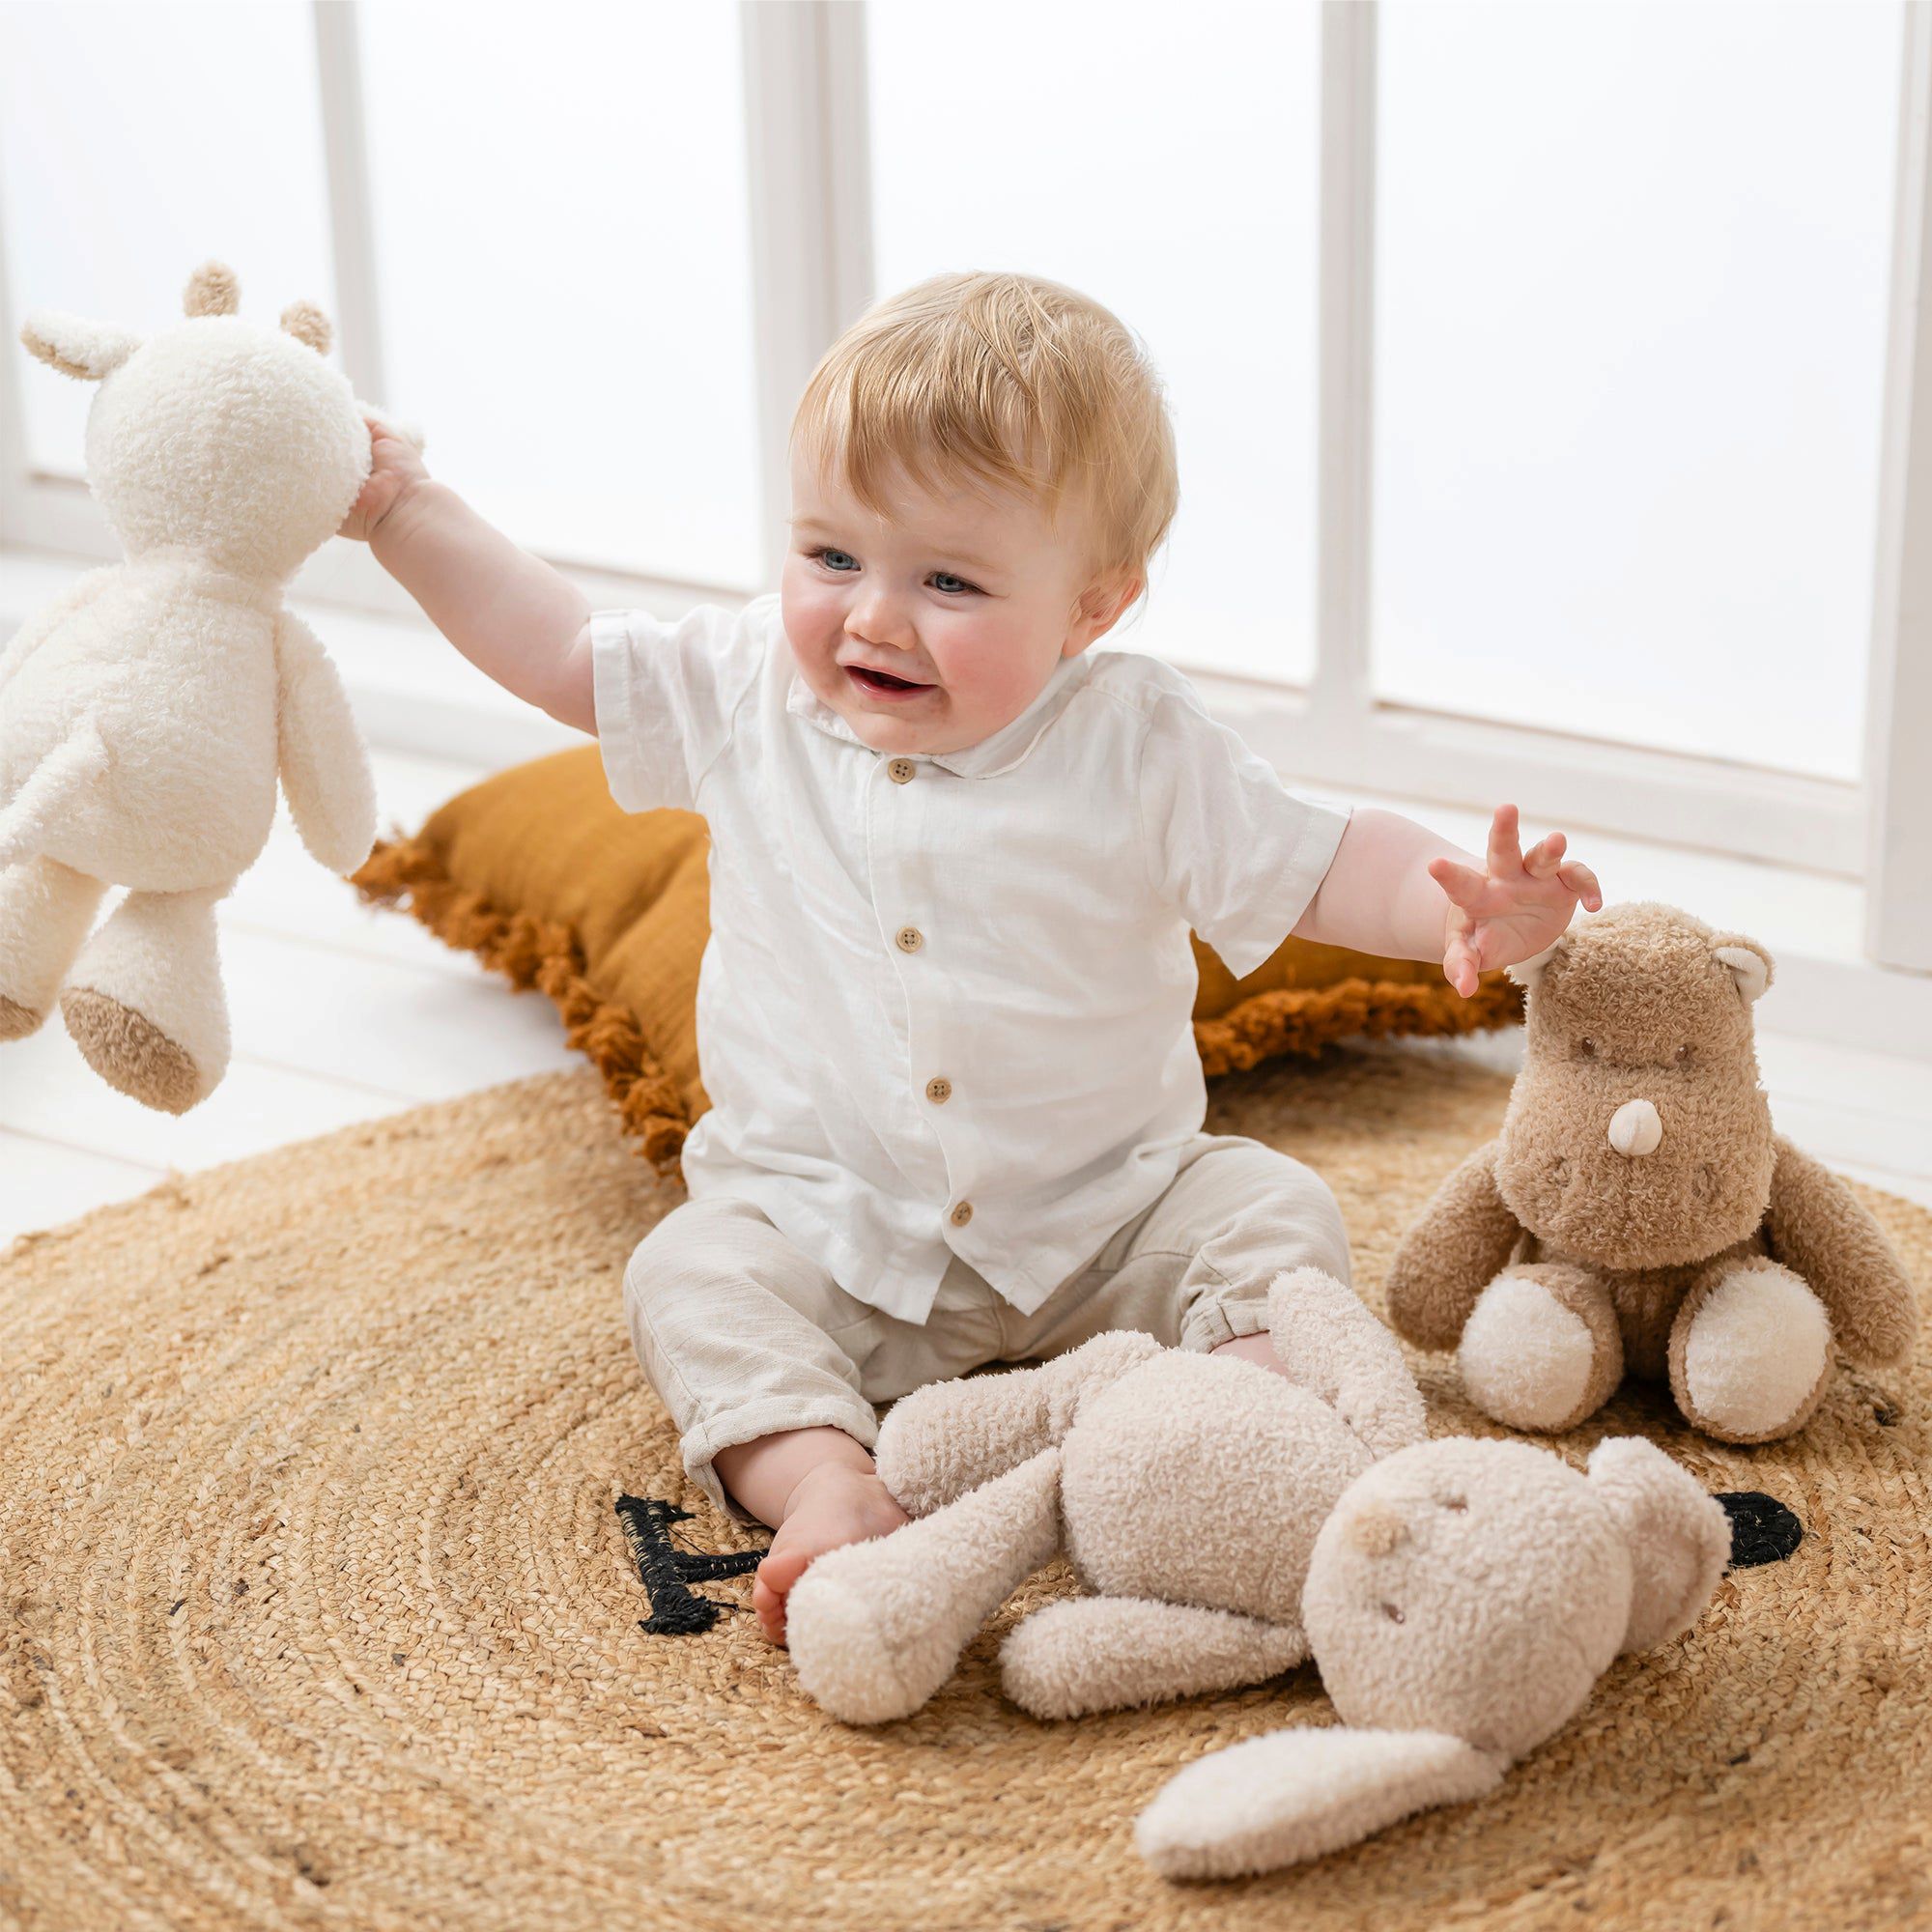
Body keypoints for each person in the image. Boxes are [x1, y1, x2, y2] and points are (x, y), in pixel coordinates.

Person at [342, 270, 1601, 1643]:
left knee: (1268, 1209)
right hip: (833, 1232)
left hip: (1109, 1220)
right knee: (689, 1278)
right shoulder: (743, 688)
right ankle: (825, 1478)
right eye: (831, 556)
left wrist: (1456, 905)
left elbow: (1322, 858)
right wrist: (403, 509)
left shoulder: (1137, 746)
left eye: (948, 581)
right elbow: (559, 650)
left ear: (1091, 608)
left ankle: (1248, 1430)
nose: (874, 618)